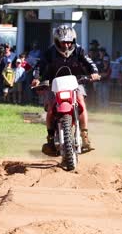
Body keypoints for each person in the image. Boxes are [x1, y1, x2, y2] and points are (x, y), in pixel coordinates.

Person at [32, 25, 100, 155]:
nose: (67, 45)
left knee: (81, 103)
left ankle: (84, 136)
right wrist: (36, 78)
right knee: (51, 107)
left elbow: (89, 63)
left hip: (75, 82)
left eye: (69, 42)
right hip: (54, 84)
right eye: (63, 42)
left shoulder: (79, 50)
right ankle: (50, 138)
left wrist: (94, 72)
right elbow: (39, 66)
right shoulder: (50, 52)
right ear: (57, 41)